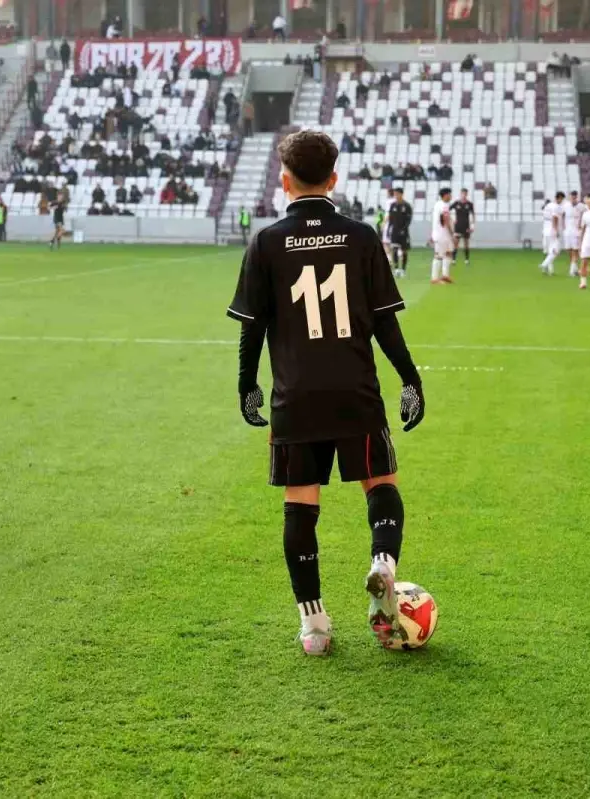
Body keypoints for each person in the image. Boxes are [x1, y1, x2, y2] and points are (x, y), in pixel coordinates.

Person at [225, 130, 425, 656]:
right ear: (334, 178)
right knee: (380, 481)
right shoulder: (360, 237)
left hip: (296, 398)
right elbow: (384, 323)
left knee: (300, 504)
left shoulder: (266, 242)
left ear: (283, 180)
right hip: (355, 390)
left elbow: (252, 328)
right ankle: (383, 562)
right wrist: (410, 377)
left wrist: (248, 385)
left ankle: (313, 625)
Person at [429, 188, 455, 285]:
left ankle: (445, 275)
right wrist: (451, 232)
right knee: (439, 255)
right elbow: (445, 219)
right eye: (449, 194)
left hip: (442, 234)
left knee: (448, 253)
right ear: (445, 195)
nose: (451, 196)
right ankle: (434, 278)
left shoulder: (439, 205)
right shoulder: (443, 206)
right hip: (442, 234)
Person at [386, 187, 413, 277]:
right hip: (394, 232)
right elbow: (390, 219)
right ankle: (397, 269)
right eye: (395, 194)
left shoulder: (407, 206)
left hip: (404, 232)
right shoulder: (393, 205)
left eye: (397, 194)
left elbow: (409, 220)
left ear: (401, 194)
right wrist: (388, 230)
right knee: (394, 250)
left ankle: (403, 269)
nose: (396, 196)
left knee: (404, 251)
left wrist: (403, 229)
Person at [539, 192, 564, 276]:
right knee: (556, 250)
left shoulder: (548, 206)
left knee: (549, 251)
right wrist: (556, 230)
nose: (562, 201)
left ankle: (550, 270)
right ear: (559, 198)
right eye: (561, 199)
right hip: (552, 230)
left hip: (545, 229)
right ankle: (544, 264)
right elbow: (555, 218)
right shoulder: (556, 207)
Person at [449, 188, 475, 266]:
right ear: (460, 194)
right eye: (462, 193)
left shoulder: (470, 204)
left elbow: (473, 215)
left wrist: (473, 225)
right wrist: (452, 220)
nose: (464, 195)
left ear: (467, 194)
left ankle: (466, 260)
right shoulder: (456, 203)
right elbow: (447, 210)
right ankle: (453, 260)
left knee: (466, 244)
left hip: (466, 226)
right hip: (458, 226)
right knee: (455, 243)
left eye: (465, 194)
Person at [561, 190, 582, 276]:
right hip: (567, 231)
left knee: (575, 250)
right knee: (568, 249)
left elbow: (585, 214)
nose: (573, 199)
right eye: (571, 197)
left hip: (576, 231)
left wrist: (581, 224)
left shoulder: (581, 206)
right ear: (569, 197)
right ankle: (575, 268)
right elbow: (562, 215)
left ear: (577, 197)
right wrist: (563, 226)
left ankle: (572, 270)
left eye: (574, 197)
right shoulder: (565, 205)